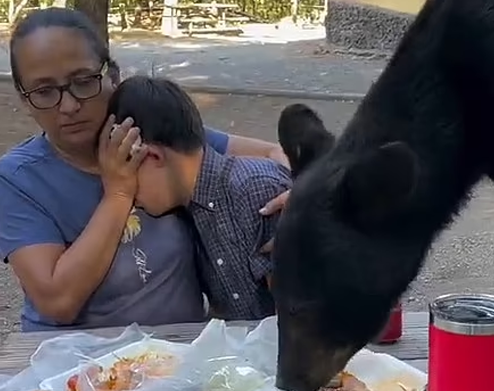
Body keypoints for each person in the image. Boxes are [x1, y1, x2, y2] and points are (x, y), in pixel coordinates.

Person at [0, 7, 289, 332]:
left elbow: (273, 152)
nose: (69, 106)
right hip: (72, 364)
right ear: (24, 100)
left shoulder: (150, 134)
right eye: (44, 92)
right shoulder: (18, 179)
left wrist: (305, 194)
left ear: (112, 76)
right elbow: (58, 302)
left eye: (83, 82)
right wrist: (119, 194)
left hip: (179, 355)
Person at [108, 76, 291, 319]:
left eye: (126, 173)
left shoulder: (256, 190)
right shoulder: (189, 208)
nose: (129, 195)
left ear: (151, 156)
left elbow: (293, 321)